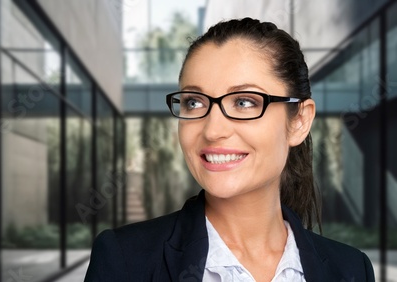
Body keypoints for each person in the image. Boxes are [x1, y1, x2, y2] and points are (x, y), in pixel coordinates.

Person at [84, 18, 375, 282]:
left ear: (299, 121)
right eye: (194, 102)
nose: (212, 130)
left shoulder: (351, 269)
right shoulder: (125, 261)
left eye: (244, 102)